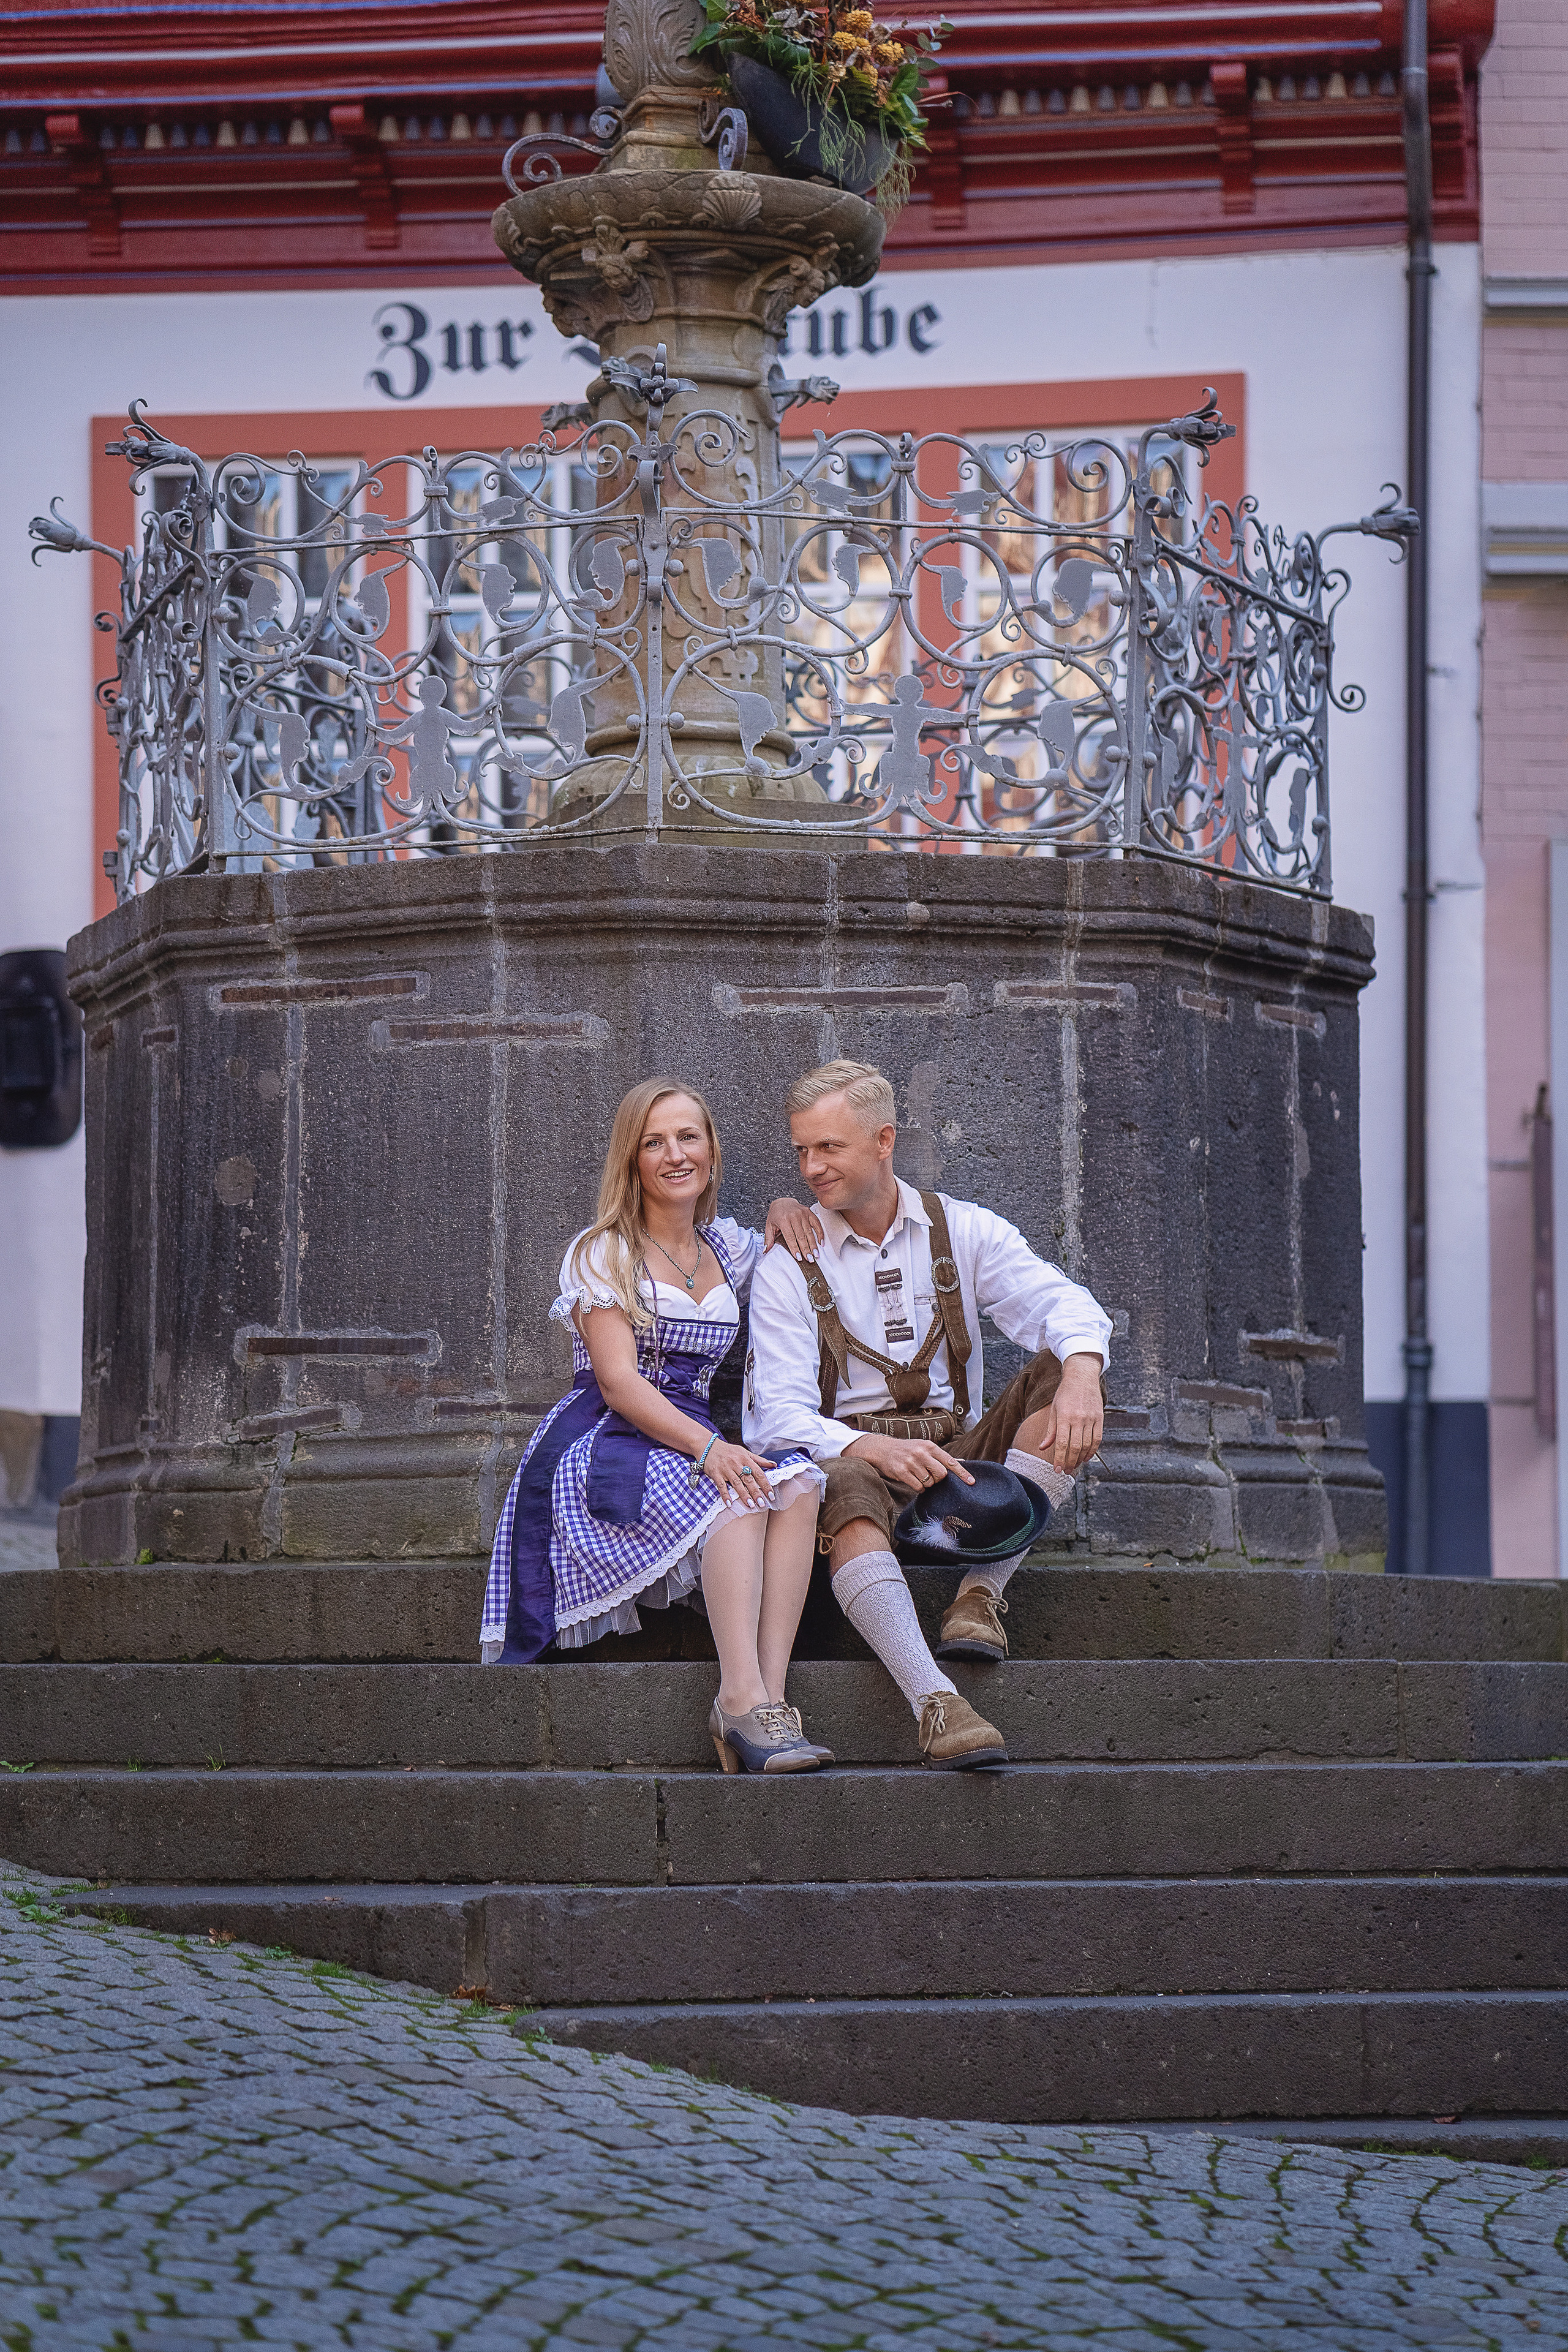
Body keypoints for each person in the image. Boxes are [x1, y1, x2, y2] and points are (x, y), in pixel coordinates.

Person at [743, 1059, 1112, 1769]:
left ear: (883, 1140)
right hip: (854, 1465)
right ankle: (934, 1702)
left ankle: (979, 1596)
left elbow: (1061, 1302)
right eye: (801, 1151)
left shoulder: (964, 1230)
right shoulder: (790, 1265)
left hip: (960, 1465)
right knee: (842, 1482)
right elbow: (774, 1419)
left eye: (829, 1148)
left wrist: (1084, 1373)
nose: (811, 1169)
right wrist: (869, 1448)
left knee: (1059, 1372)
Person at [479, 1077, 831, 1775]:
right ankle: (737, 1698)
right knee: (736, 1491)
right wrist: (709, 1448)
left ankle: (769, 1703)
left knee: (799, 1486)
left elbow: (789, 1242)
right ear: (631, 1159)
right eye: (655, 1142)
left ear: (710, 1150)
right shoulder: (601, 1251)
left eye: (688, 1137)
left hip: (695, 1431)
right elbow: (617, 1382)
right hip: (607, 1436)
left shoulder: (729, 1250)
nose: (675, 1154)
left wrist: (787, 1203)